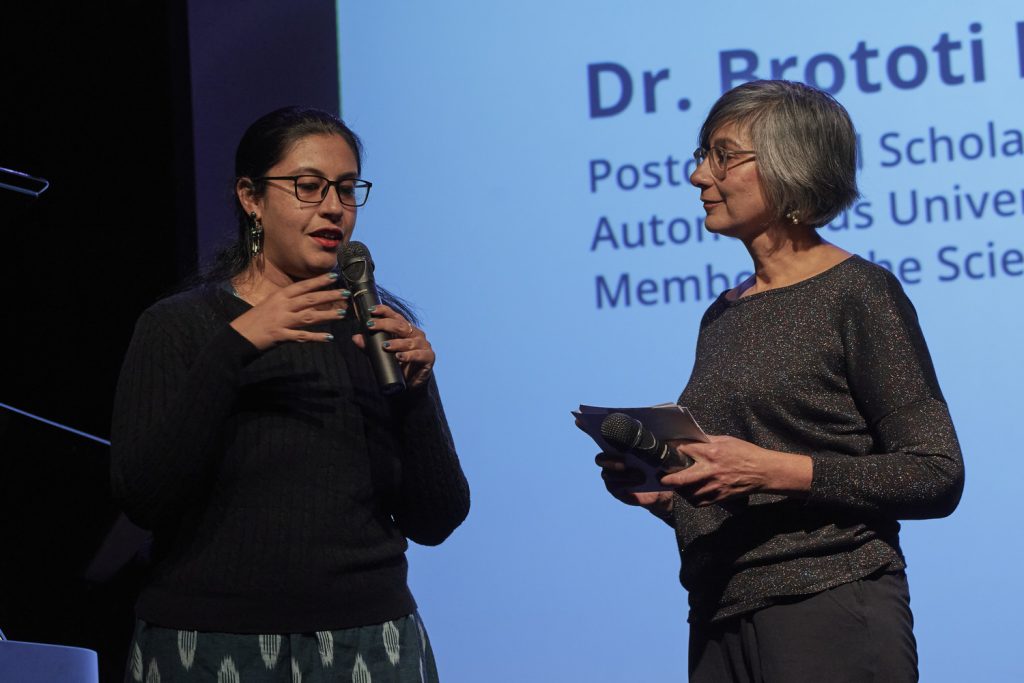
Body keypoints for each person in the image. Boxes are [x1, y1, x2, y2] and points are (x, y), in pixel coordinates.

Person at [595, 80, 964, 683]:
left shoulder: (858, 293)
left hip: (828, 606)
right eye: (701, 154)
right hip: (720, 610)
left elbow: (935, 473)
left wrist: (772, 469)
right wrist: (671, 496)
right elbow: (745, 492)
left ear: (791, 165)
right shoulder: (723, 313)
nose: (698, 176)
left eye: (722, 155)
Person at [111, 106, 470, 682]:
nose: (333, 207)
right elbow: (144, 498)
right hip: (207, 645)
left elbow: (437, 518)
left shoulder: (375, 327)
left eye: (348, 190)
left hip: (370, 645)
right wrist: (232, 352)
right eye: (308, 187)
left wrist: (416, 395)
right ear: (251, 197)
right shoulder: (179, 327)